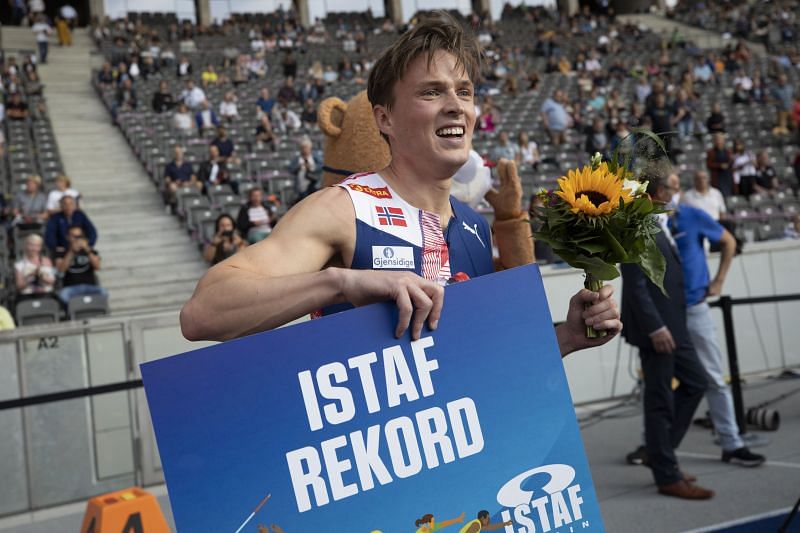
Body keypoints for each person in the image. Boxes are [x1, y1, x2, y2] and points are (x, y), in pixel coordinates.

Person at [180, 13, 621, 353]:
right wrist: (341, 282)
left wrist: (566, 337)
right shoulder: (343, 209)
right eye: (431, 92)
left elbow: (477, 357)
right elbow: (203, 314)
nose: (455, 106)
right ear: (384, 118)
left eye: (463, 92)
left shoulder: (472, 226)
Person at [621, 175, 712, 500]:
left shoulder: (658, 224)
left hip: (676, 324)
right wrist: (656, 327)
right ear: (658, 194)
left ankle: (661, 455)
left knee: (696, 383)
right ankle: (666, 472)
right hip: (658, 329)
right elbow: (635, 286)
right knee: (659, 400)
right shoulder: (636, 226)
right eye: (672, 188)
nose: (676, 193)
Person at [666, 172, 766, 469]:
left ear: (679, 190)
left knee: (712, 376)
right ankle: (657, 445)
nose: (670, 193)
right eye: (665, 187)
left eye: (673, 187)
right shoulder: (650, 223)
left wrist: (720, 280)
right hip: (665, 313)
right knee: (659, 383)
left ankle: (731, 442)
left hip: (695, 308)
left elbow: (729, 241)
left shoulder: (692, 215)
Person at [55, 225, 106, 304]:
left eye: (79, 236)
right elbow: (61, 270)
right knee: (63, 295)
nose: (77, 239)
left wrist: (88, 250)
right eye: (74, 236)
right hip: (71, 287)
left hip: (89, 286)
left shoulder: (90, 251)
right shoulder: (61, 252)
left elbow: (97, 267)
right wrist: (71, 252)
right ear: (68, 237)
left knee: (103, 292)